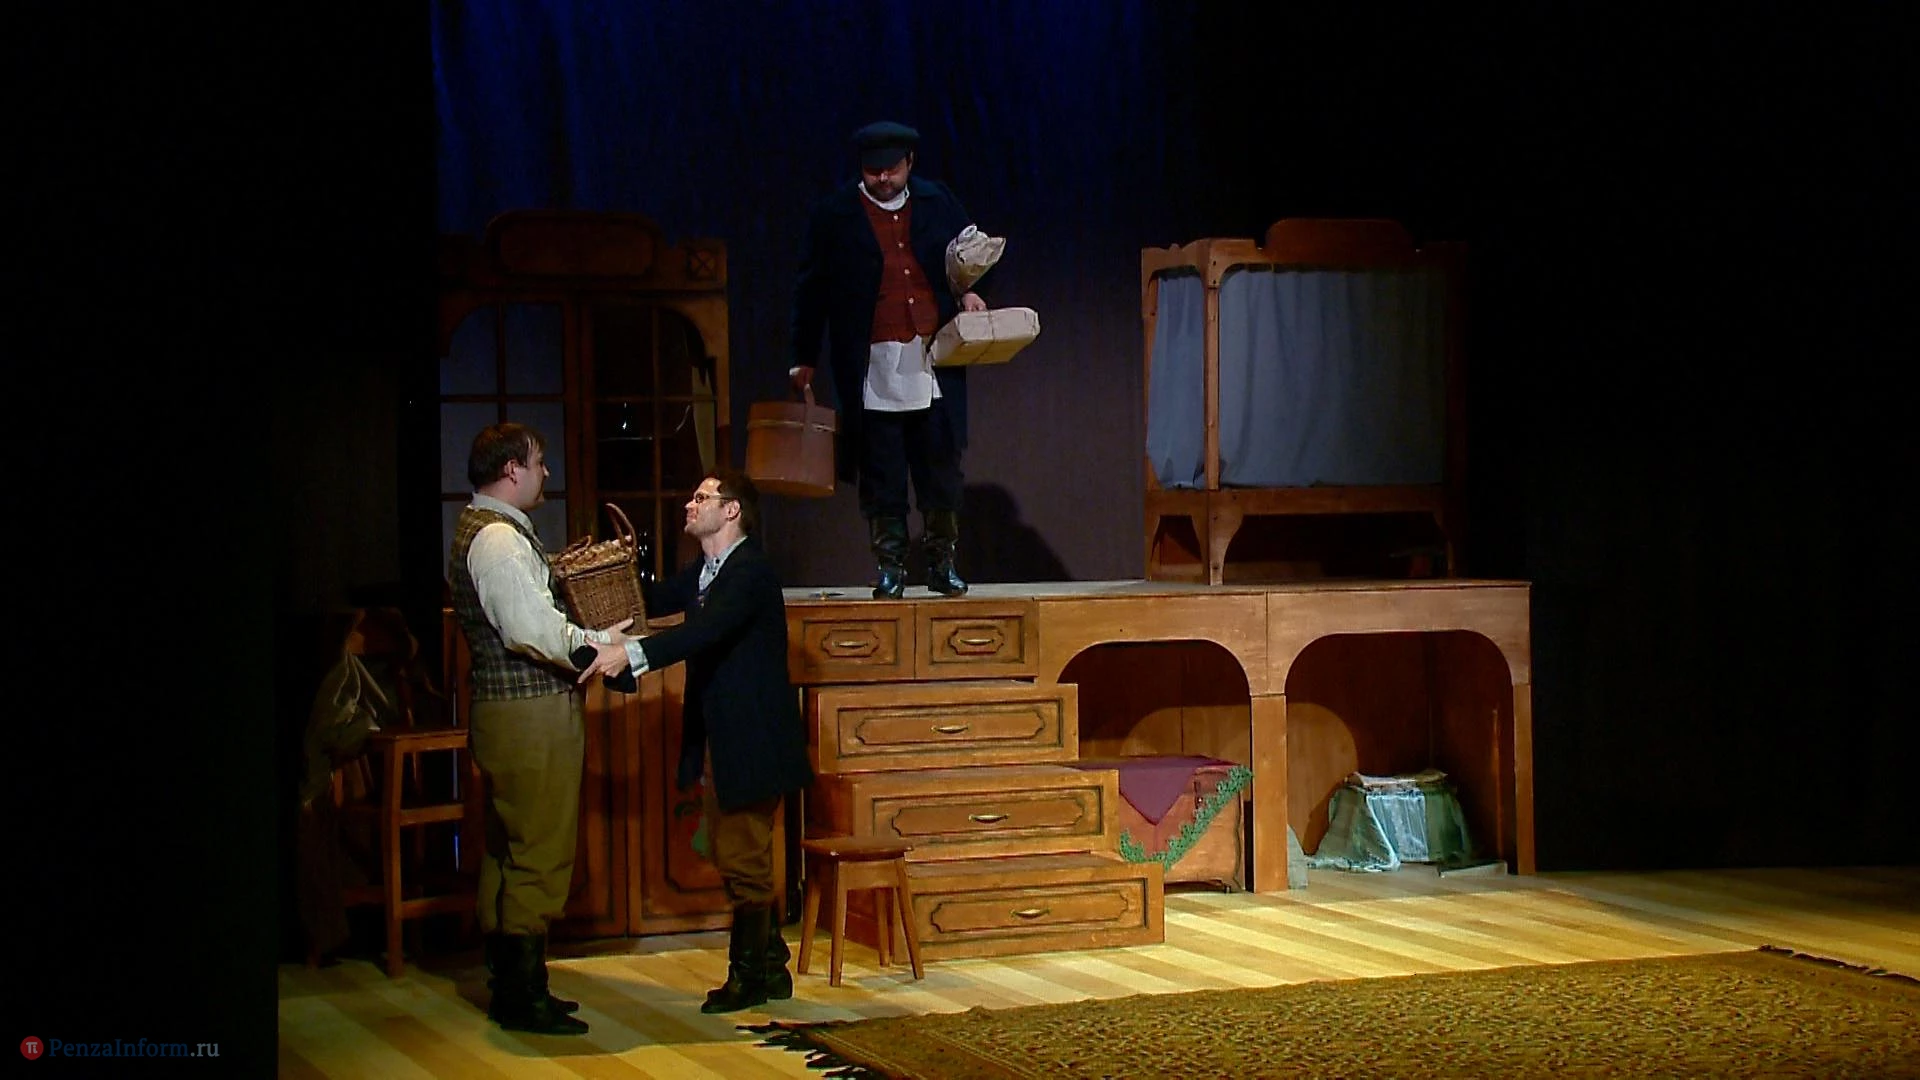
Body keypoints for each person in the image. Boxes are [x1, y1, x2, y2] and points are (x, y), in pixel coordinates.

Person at [581, 467, 812, 1013]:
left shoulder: (749, 571)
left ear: (731, 510)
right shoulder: (705, 572)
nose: (690, 503)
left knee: (744, 856)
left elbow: (702, 632)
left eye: (702, 496)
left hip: (754, 739)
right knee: (731, 852)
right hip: (722, 738)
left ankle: (749, 977)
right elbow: (650, 600)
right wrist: (606, 587)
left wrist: (630, 655)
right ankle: (769, 966)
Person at [447, 422, 636, 1036]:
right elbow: (532, 629)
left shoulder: (486, 531)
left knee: (510, 846)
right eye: (538, 462)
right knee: (538, 850)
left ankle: (513, 981)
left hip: (510, 711)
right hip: (527, 714)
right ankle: (522, 994)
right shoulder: (498, 540)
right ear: (511, 470)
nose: (545, 473)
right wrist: (598, 642)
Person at [788, 119, 989, 599]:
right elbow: (812, 289)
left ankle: (941, 563)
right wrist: (803, 354)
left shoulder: (937, 201)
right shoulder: (835, 215)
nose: (883, 178)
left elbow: (972, 253)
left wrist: (970, 291)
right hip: (871, 365)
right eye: (873, 170)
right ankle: (891, 568)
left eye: (892, 169)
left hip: (931, 359)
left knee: (940, 469)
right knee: (882, 473)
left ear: (909, 163)